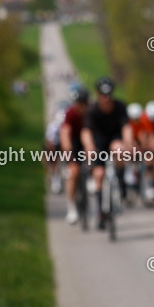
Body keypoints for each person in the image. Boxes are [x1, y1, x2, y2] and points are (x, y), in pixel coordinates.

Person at [81, 77, 134, 229]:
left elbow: (126, 128)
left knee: (119, 150)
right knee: (98, 175)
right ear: (98, 94)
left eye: (109, 94)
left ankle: (121, 182)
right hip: (98, 142)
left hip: (115, 138)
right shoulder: (92, 110)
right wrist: (89, 147)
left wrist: (128, 144)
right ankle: (101, 213)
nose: (106, 98)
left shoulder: (120, 107)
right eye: (103, 95)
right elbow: (86, 131)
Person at [60, 84, 90, 224]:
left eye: (84, 103)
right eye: (79, 104)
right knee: (73, 173)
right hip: (73, 143)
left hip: (88, 142)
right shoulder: (70, 113)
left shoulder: (91, 112)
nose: (82, 107)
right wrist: (68, 151)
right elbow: (65, 133)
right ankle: (71, 208)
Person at [43, 101, 68, 194]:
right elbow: (49, 141)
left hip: (61, 145)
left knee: (59, 163)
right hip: (52, 146)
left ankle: (58, 178)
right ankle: (53, 179)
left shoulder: (65, 126)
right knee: (53, 163)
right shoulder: (52, 126)